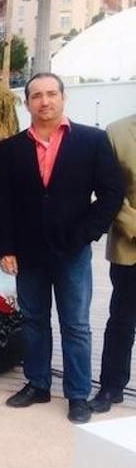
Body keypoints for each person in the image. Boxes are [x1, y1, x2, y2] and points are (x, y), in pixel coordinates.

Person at [0, 73, 123, 424]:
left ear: (63, 98)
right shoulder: (11, 149)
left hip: (72, 251)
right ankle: (37, 384)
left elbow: (112, 193)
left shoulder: (92, 141)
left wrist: (86, 233)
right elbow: (2, 203)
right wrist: (5, 248)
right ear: (27, 103)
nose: (44, 101)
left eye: (51, 94)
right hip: (28, 252)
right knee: (34, 320)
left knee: (77, 325)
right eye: (36, 95)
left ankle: (78, 394)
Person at [89, 112, 136, 414]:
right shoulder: (116, 131)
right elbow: (111, 191)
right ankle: (111, 386)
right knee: (121, 319)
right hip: (130, 242)